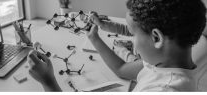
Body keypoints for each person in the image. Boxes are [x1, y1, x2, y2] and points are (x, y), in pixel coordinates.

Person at [27, 0, 206, 91]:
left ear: (156, 38)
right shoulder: (165, 62)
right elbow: (122, 69)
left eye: (133, 34)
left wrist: (49, 82)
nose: (131, 39)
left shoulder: (164, 89)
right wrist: (95, 38)